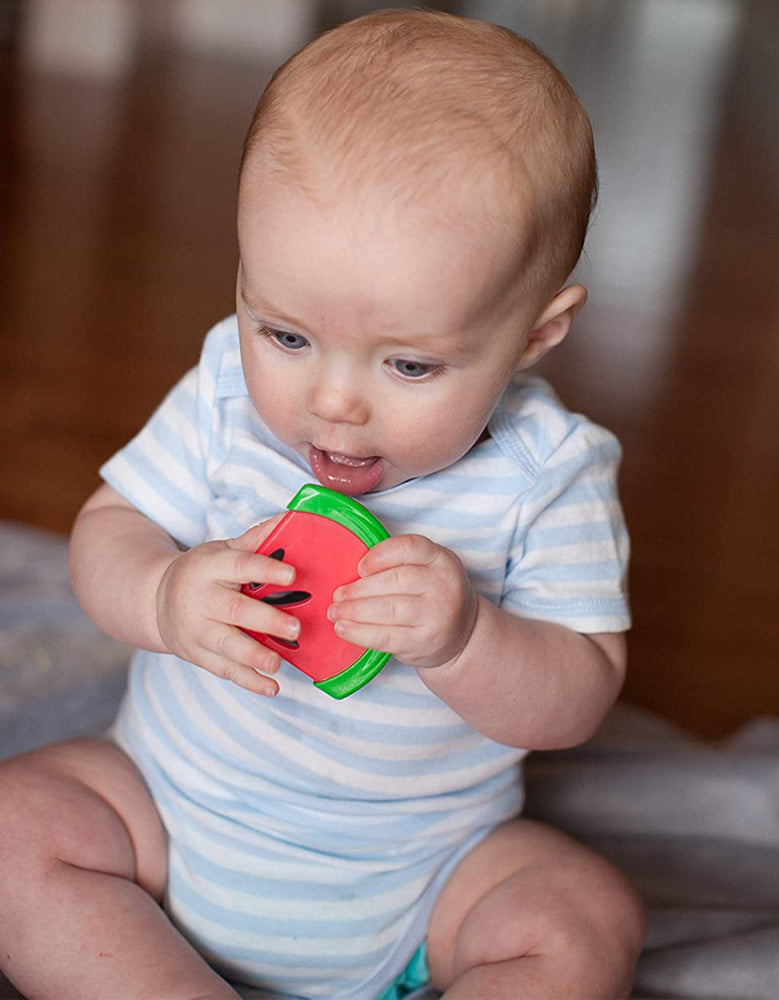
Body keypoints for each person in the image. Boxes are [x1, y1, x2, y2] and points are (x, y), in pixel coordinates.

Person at [0, 10, 644, 1000]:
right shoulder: (223, 390)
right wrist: (164, 595)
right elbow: (109, 530)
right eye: (286, 335)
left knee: (582, 915)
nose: (331, 401)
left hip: (421, 880)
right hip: (166, 825)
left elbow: (577, 693)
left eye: (409, 362)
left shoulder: (546, 475)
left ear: (533, 332)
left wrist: (467, 638)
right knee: (13, 827)